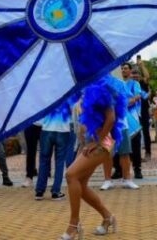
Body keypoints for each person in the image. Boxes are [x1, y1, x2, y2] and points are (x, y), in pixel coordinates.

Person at [60, 78, 123, 239]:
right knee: (80, 185)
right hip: (88, 143)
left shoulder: (103, 87)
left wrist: (98, 141)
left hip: (101, 142)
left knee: (71, 175)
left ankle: (74, 225)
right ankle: (108, 217)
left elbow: (111, 118)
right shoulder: (82, 88)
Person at [35, 100, 73, 201]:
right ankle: (56, 192)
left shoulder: (49, 95)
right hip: (63, 130)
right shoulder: (69, 95)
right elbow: (74, 113)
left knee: (44, 161)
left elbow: (39, 116)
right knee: (60, 162)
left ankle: (39, 191)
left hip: (47, 130)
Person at [21, 121, 43, 189]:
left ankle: (45, 177)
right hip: (30, 123)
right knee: (30, 152)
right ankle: (29, 177)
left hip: (45, 124)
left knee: (45, 152)